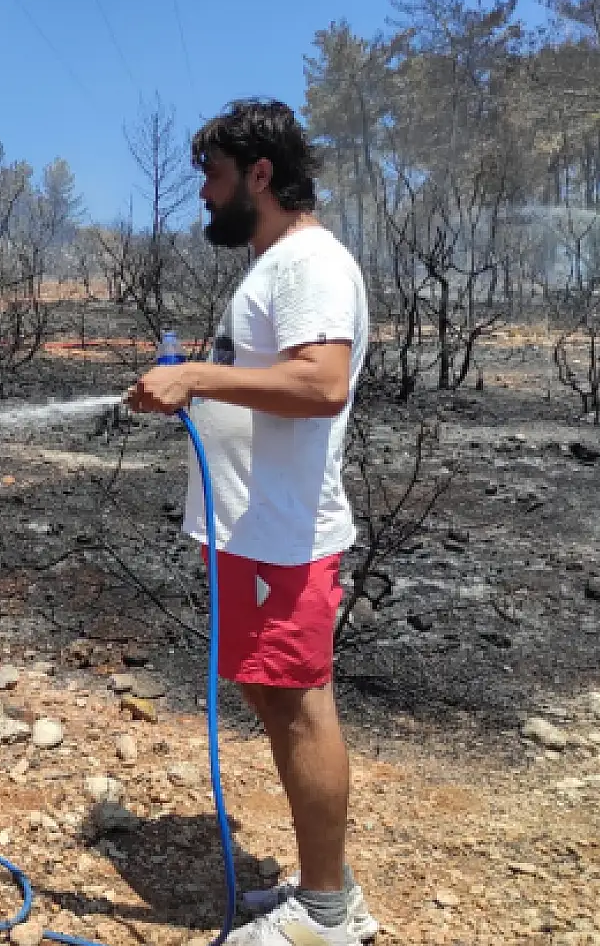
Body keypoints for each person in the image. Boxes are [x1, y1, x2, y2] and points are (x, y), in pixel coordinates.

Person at [123, 99, 379, 946]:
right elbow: (275, 385)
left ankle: (328, 911)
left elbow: (321, 385)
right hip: (255, 532)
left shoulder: (308, 261)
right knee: (275, 700)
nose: (203, 193)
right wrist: (198, 389)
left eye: (214, 174)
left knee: (299, 706)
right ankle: (323, 888)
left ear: (260, 175)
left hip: (285, 536)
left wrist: (196, 377)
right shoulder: (278, 265)